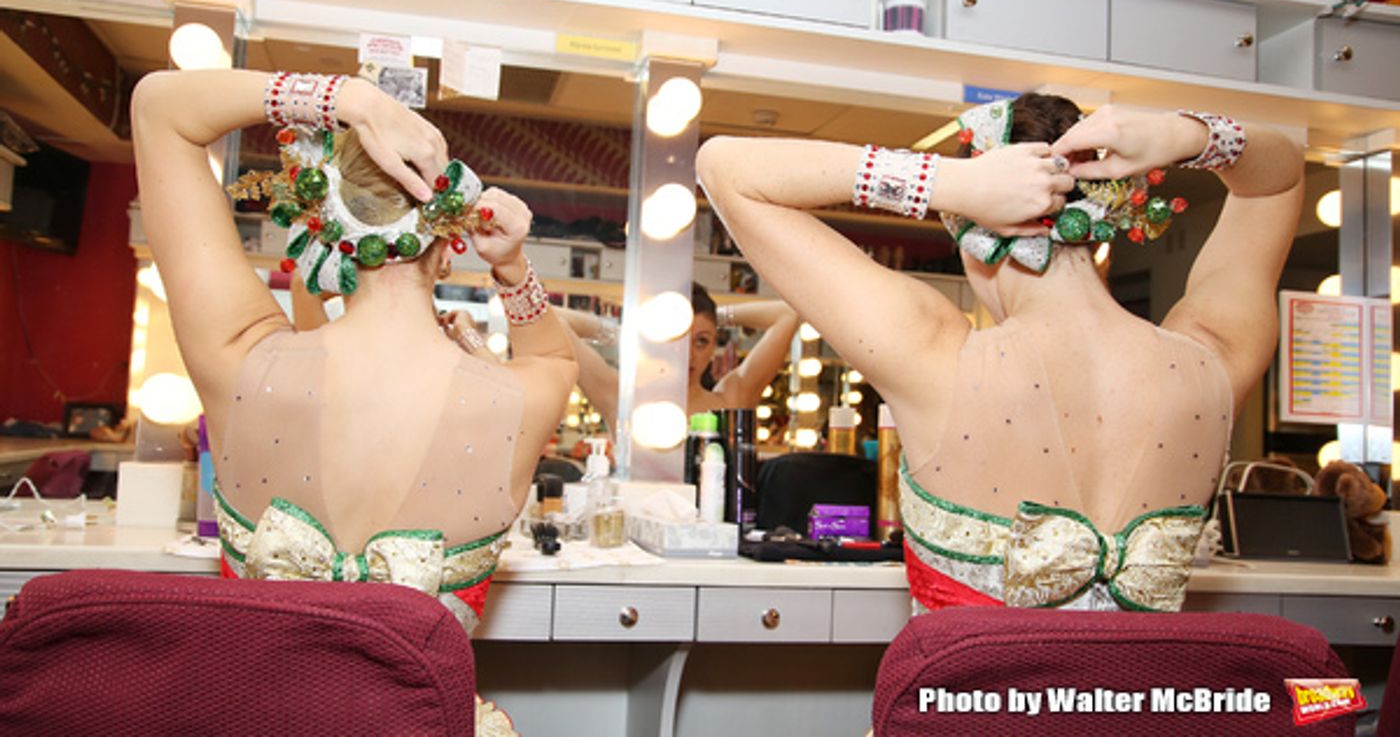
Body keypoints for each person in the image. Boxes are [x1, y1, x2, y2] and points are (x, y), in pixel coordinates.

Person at [697, 95, 1302, 612]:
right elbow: (1280, 177)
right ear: (1105, 235)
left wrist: (948, 183)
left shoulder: (932, 352)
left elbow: (725, 168)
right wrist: (1188, 135)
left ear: (972, 234)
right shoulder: (1214, 358)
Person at [131, 69, 577, 639]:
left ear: (318, 238)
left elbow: (159, 109)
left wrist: (348, 99)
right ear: (450, 246)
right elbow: (555, 358)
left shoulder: (241, 360)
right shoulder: (520, 401)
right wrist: (511, 266)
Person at [555, 284, 799, 434]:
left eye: (701, 341)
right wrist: (617, 332)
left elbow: (787, 313)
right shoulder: (620, 398)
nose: (689, 355)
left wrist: (716, 316)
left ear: (714, 345)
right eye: (677, 339)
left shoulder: (730, 401)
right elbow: (552, 319)